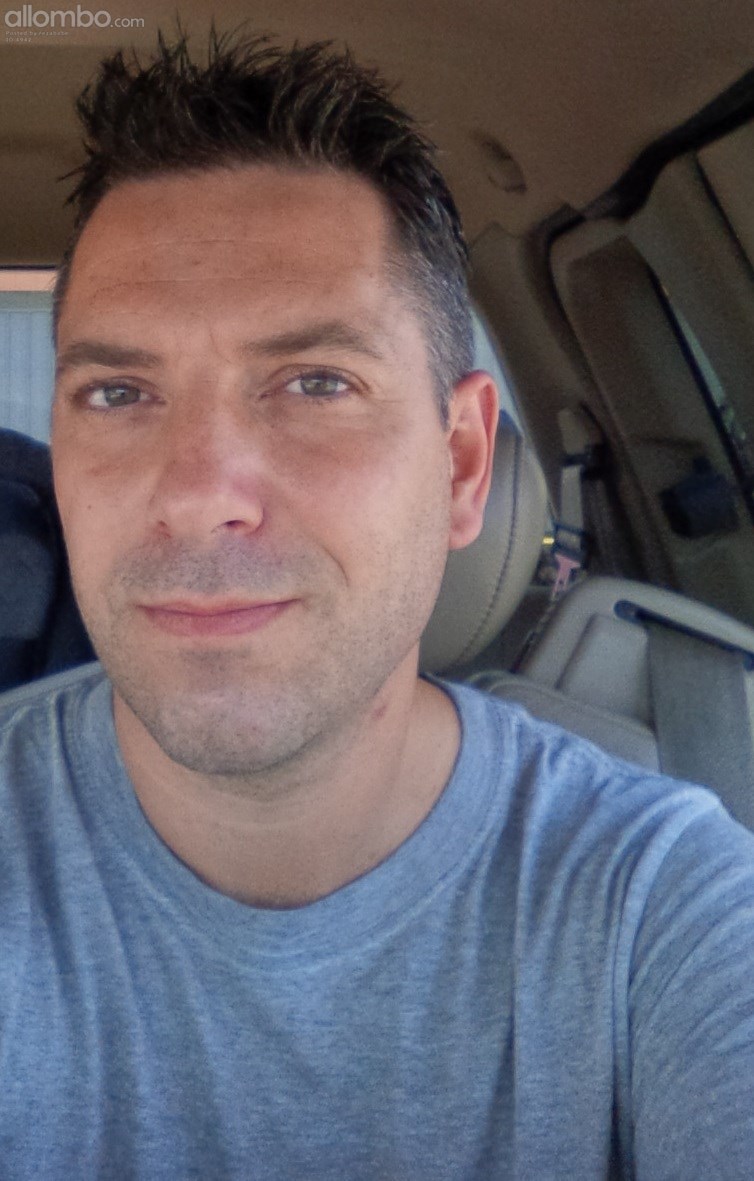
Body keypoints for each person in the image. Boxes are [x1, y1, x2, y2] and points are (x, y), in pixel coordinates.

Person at [1, 28, 752, 1180]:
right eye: (118, 392)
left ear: (460, 464)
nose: (198, 495)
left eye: (315, 382)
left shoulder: (658, 905)